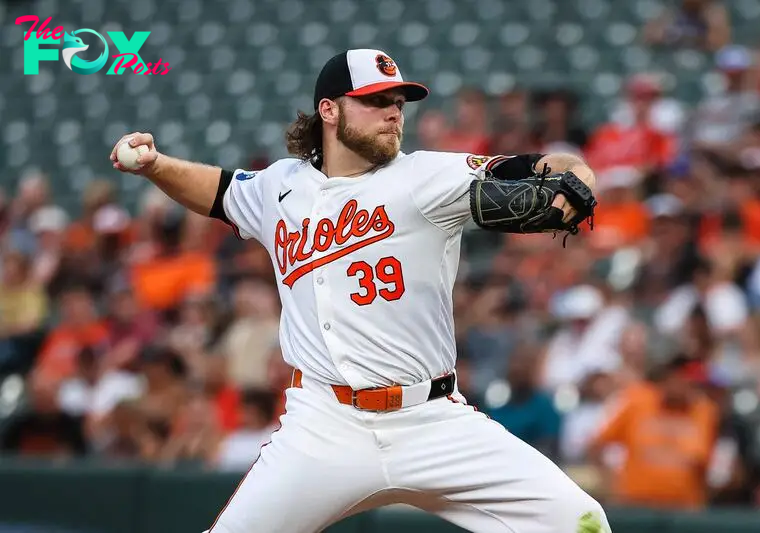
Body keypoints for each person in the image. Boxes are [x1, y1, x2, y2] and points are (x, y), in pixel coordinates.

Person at [109, 48, 606, 533]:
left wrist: (577, 177)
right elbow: (219, 192)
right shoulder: (279, 186)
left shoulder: (427, 176)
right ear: (329, 109)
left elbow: (542, 165)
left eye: (398, 102)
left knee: (581, 521)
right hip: (323, 425)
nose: (393, 112)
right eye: (376, 100)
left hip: (430, 419)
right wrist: (155, 166)